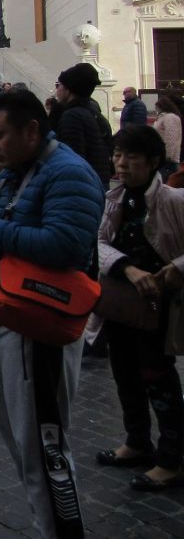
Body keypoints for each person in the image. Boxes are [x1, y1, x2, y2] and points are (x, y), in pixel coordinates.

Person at [0, 90, 104, 538]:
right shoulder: (21, 169)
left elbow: (65, 245)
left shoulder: (68, 173)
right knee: (24, 442)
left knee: (42, 448)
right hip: (7, 321)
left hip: (36, 327)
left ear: (31, 130)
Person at [95, 125, 184, 491]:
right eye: (118, 155)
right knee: (125, 373)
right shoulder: (113, 198)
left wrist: (176, 268)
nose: (121, 163)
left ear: (153, 162)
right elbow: (98, 242)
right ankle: (137, 441)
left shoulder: (173, 200)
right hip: (121, 303)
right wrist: (126, 267)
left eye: (131, 157)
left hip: (160, 307)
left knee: (158, 377)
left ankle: (172, 459)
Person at [52, 62, 113, 184]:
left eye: (59, 85)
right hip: (97, 182)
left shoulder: (72, 116)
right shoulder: (94, 112)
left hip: (81, 184)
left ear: (69, 90)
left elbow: (72, 159)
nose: (56, 90)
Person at [152, 96, 182, 169]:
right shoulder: (162, 117)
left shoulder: (170, 117)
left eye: (157, 107)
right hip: (161, 155)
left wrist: (167, 156)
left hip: (168, 159)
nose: (156, 109)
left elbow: (171, 138)